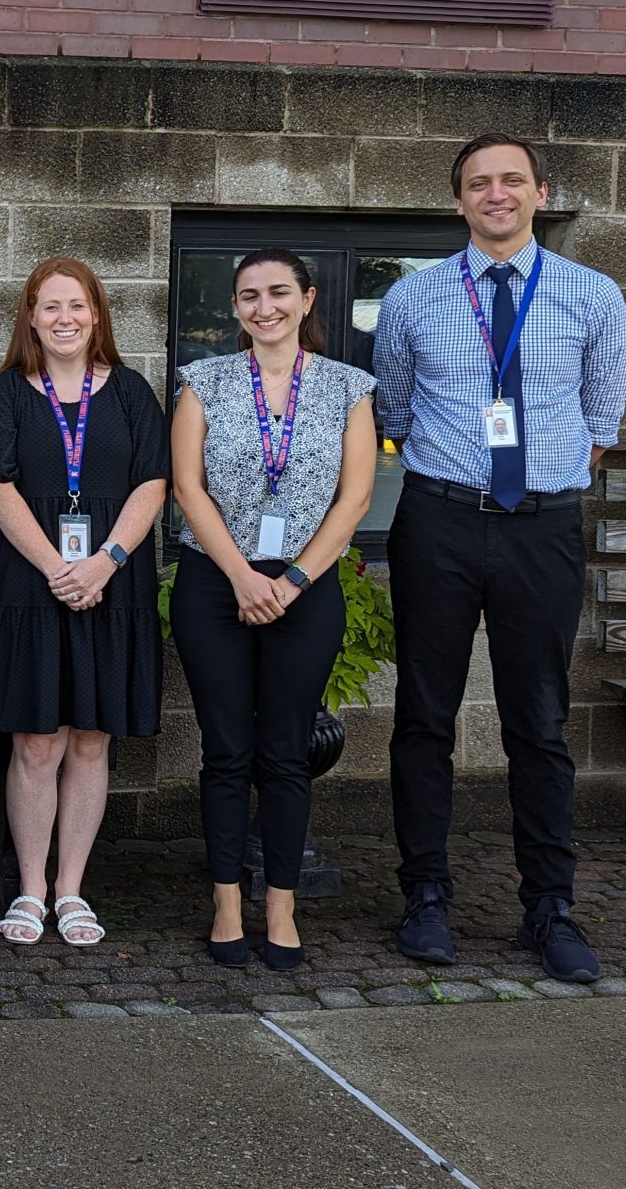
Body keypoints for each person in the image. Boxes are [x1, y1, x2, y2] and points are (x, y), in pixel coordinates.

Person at [375, 134, 626, 984]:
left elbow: (600, 426)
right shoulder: (412, 299)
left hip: (542, 528)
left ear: (540, 193)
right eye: (479, 184)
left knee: (541, 724)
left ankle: (549, 908)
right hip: (439, 523)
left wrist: (528, 483)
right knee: (424, 716)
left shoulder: (593, 295)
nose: (496, 194)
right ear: (458, 202)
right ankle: (425, 897)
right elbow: (399, 416)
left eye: (511, 181)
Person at [168, 248, 377, 972]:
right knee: (226, 751)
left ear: (308, 299)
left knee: (286, 753)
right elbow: (187, 489)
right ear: (235, 308)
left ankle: (281, 907)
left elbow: (354, 500)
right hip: (213, 582)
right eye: (249, 295)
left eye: (279, 292)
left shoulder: (350, 387)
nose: (265, 307)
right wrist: (241, 576)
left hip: (307, 586)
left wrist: (289, 581)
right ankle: (227, 902)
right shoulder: (203, 382)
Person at [0, 257, 168, 949]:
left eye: (77, 306)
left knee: (90, 738)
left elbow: (154, 481)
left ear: (97, 315)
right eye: (50, 307)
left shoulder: (132, 392)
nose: (64, 319)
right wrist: (60, 567)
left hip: (112, 581)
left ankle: (71, 890)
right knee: (34, 740)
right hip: (33, 582)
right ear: (30, 316)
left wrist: (105, 561)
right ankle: (29, 888)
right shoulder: (5, 393)